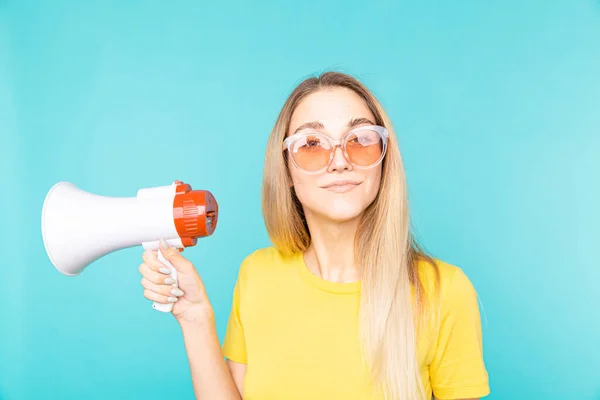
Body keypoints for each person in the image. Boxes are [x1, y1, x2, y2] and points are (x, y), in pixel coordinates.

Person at [138, 71, 490, 400]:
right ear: (286, 169)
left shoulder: (444, 291)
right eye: (311, 143)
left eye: (361, 139)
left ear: (384, 160)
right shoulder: (257, 275)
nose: (339, 161)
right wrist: (195, 317)